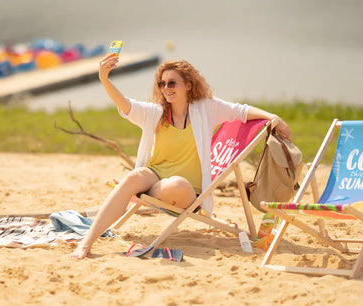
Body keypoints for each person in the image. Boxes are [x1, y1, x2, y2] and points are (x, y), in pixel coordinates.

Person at [70, 53, 291, 259]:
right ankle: (87, 243)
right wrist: (104, 79)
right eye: (162, 83)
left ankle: (134, 192)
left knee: (174, 184)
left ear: (188, 85)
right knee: (133, 177)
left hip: (187, 190)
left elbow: (241, 111)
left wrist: (273, 117)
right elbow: (125, 105)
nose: (166, 88)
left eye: (172, 83)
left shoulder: (206, 108)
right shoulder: (155, 113)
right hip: (155, 175)